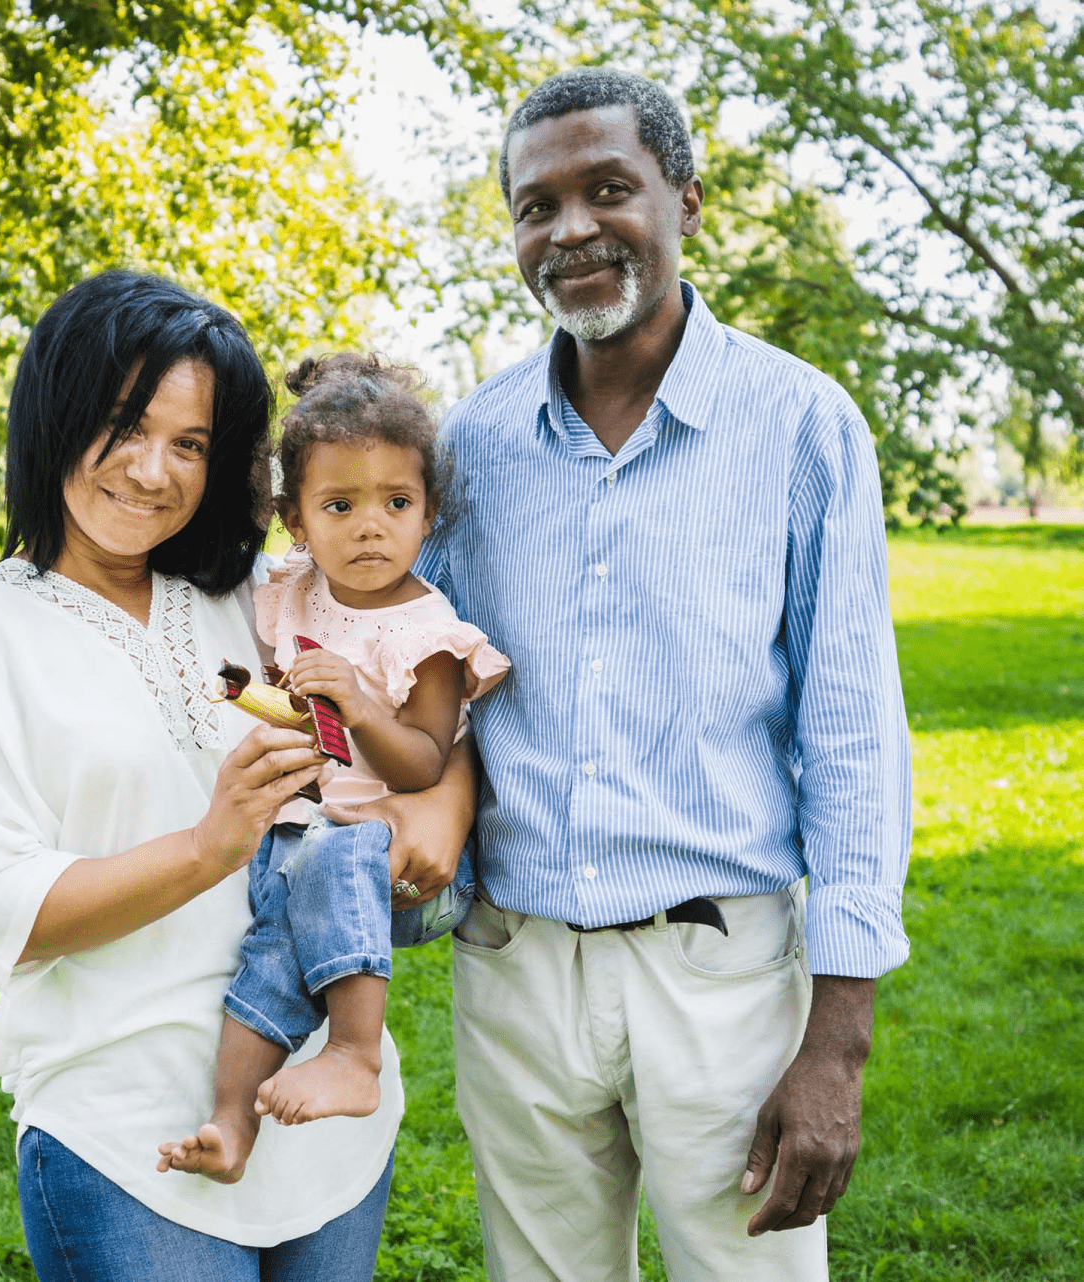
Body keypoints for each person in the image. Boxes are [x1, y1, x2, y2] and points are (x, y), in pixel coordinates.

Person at [419, 68, 913, 1280]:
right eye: (537, 207)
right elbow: (430, 701)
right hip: (513, 965)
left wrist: (836, 1041)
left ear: (686, 201)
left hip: (724, 977)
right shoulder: (468, 448)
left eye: (607, 189)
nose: (571, 229)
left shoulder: (801, 426)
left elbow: (851, 732)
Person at [0, 272, 474, 1281]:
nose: (153, 470)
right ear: (53, 412)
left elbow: (424, 691)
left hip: (326, 1133)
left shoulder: (261, 594)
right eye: (123, 424)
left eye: (192, 443)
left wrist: (447, 807)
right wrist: (210, 845)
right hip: (127, 1138)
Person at [157, 354, 509, 1182]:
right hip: (307, 843)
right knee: (269, 961)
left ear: (430, 515)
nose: (369, 527)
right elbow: (291, 701)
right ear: (295, 519)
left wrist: (359, 704)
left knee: (336, 850)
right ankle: (230, 1126)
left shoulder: (430, 633)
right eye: (339, 506)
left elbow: (423, 764)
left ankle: (355, 1053)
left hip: (398, 862)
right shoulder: (296, 596)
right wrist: (248, 691)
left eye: (396, 503)